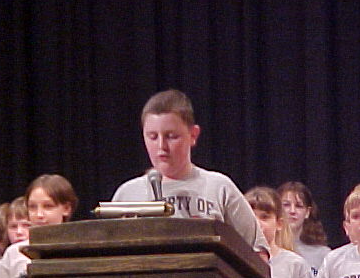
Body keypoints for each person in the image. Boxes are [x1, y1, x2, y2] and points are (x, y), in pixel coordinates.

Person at [112, 89, 269, 254]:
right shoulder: (127, 194)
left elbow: (258, 253)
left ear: (193, 135)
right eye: (152, 137)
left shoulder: (219, 187)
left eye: (171, 136)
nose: (161, 146)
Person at [278, 181, 330, 275]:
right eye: (286, 205)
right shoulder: (267, 251)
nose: (292, 211)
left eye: (299, 206)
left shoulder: (323, 255)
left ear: (307, 212)